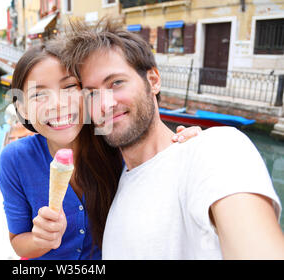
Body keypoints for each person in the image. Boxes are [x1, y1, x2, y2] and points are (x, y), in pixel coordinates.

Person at [62, 18, 284, 259]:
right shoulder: (114, 182)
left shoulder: (216, 149)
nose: (105, 104)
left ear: (153, 80)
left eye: (116, 83)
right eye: (92, 94)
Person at [0, 41, 202, 260]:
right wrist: (40, 240)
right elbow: (18, 242)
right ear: (22, 108)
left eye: (69, 87)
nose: (57, 104)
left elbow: (157, 152)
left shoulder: (116, 142)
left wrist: (187, 141)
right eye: (38, 95)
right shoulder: (15, 159)